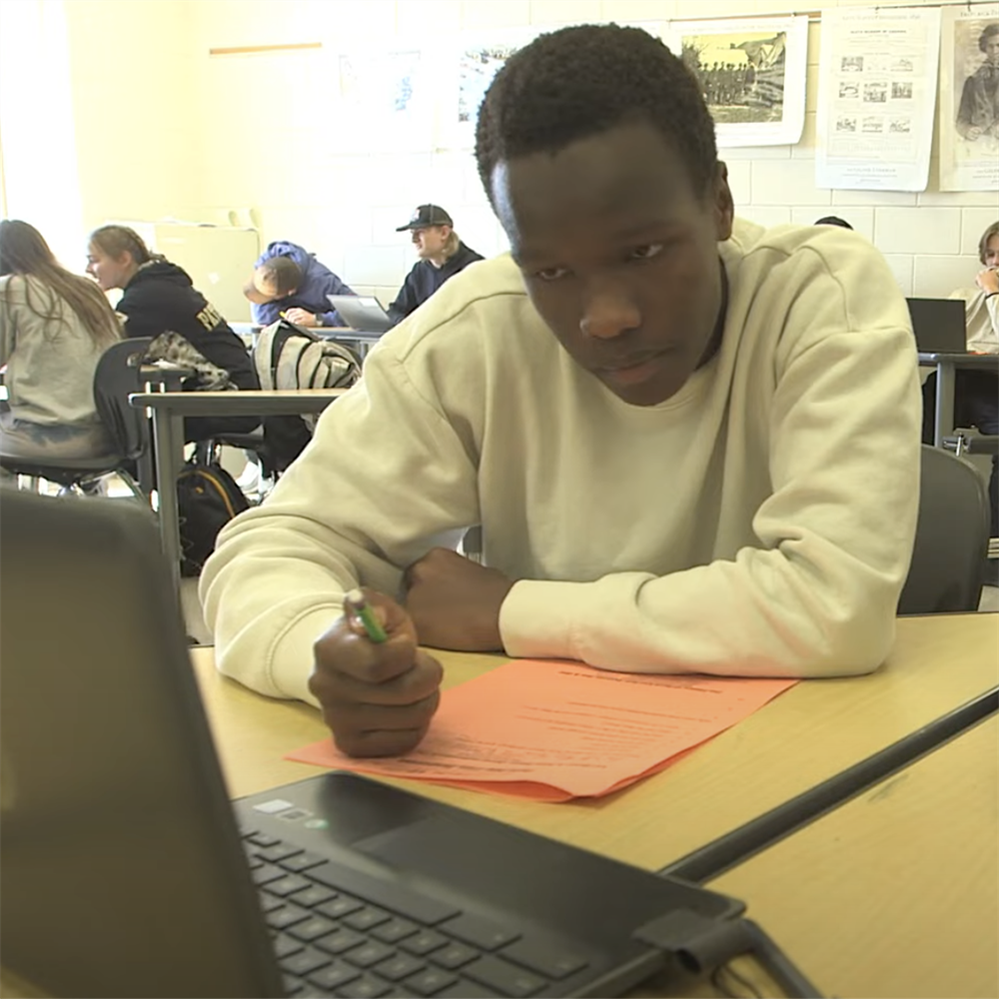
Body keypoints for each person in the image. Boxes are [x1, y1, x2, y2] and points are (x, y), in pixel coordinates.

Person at [201, 25, 921, 759]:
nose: (605, 316)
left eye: (641, 251)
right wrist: (321, 652)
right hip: (547, 771)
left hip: (793, 761)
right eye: (548, 271)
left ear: (718, 204)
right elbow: (268, 548)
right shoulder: (472, 333)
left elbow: (837, 604)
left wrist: (510, 610)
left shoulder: (819, 294)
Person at [86, 225, 260, 443]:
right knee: (146, 430)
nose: (88, 269)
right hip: (241, 392)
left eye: (94, 260)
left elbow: (102, 348)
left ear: (123, 259)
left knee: (134, 441)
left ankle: (169, 478)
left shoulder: (146, 297)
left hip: (230, 399)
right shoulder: (162, 282)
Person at [0, 220, 121, 462]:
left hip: (44, 436)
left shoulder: (10, 289)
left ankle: (18, 501)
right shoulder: (85, 289)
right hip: (105, 436)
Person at [922, 220, 999, 537]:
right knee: (911, 418)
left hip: (994, 386)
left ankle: (993, 547)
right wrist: (981, 295)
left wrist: (995, 293)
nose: (996, 262)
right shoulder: (965, 295)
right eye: (991, 255)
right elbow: (939, 337)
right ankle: (922, 528)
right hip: (955, 380)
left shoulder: (993, 294)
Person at [387, 205, 483, 326]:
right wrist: (408, 326)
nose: (414, 240)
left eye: (420, 232)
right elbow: (396, 311)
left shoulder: (474, 269)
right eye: (412, 233)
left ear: (444, 233)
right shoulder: (419, 271)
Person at [244, 241, 354, 328]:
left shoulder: (324, 283)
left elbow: (356, 311)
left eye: (270, 296)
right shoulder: (269, 257)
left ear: (291, 291)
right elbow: (263, 319)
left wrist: (318, 319)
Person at [955, 23, 999, 142]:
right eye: (990, 46)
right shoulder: (973, 81)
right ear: (984, 47)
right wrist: (967, 130)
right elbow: (961, 120)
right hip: (980, 144)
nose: (995, 50)